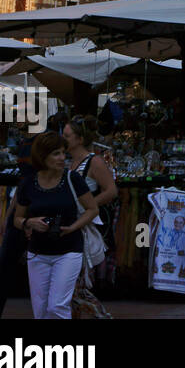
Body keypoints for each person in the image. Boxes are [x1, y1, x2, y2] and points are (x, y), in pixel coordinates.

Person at [11, 132, 98, 319]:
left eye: (63, 153)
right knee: (41, 310)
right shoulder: (28, 183)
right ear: (43, 156)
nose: (62, 158)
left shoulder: (72, 179)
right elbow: (17, 219)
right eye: (56, 154)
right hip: (37, 253)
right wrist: (29, 222)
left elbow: (92, 209)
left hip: (69, 250)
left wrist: (74, 227)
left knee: (57, 306)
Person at [0, 125, 36, 320]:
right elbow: (23, 182)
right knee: (4, 265)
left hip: (36, 207)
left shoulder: (41, 143)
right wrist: (11, 213)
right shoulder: (24, 143)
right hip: (22, 205)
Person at [64, 115, 117, 309]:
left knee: (79, 279)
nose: (64, 140)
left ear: (79, 139)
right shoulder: (70, 163)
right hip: (75, 222)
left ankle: (96, 312)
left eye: (67, 136)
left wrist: (89, 206)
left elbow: (111, 190)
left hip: (85, 223)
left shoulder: (94, 162)